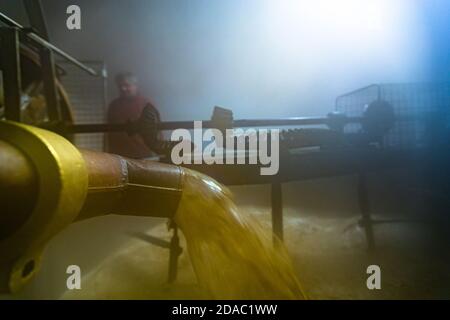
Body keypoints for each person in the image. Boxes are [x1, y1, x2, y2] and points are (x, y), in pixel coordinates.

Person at [105, 72, 160, 158]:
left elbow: (158, 130)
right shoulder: (114, 105)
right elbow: (108, 132)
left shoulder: (146, 104)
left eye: (127, 85)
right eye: (120, 86)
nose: (123, 88)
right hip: (119, 155)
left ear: (135, 86)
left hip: (143, 155)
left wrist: (157, 152)